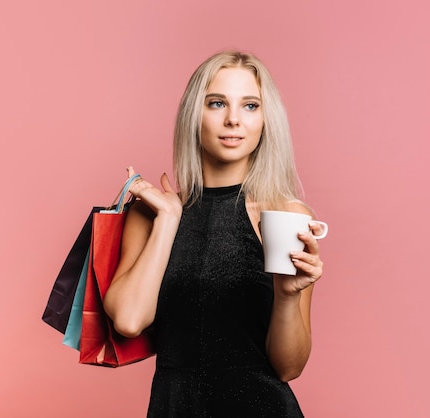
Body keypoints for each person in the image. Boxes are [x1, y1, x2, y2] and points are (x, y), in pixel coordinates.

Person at [103, 50, 325, 417]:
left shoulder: (285, 216)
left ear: (267, 120)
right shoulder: (152, 212)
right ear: (195, 114)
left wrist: (287, 295)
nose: (234, 120)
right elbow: (128, 320)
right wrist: (171, 218)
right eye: (217, 103)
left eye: (251, 106)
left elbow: (289, 368)